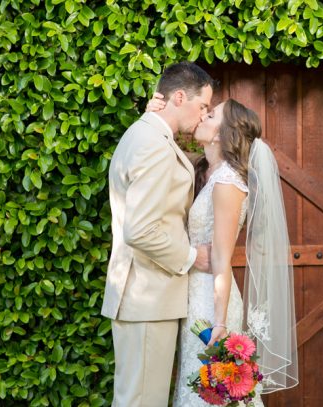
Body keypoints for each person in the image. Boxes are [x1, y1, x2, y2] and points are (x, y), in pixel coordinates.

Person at [147, 96, 299, 405]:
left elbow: (221, 259)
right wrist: (153, 116)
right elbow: (163, 155)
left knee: (208, 392)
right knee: (195, 388)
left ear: (223, 133)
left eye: (211, 114)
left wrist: (220, 322)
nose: (202, 116)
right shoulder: (205, 171)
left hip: (210, 302)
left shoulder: (228, 182)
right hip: (192, 295)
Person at [101, 62, 215, 407]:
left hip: (144, 298)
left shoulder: (148, 134)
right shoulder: (152, 143)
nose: (204, 115)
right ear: (180, 97)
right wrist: (194, 257)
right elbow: (141, 229)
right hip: (147, 297)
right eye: (204, 107)